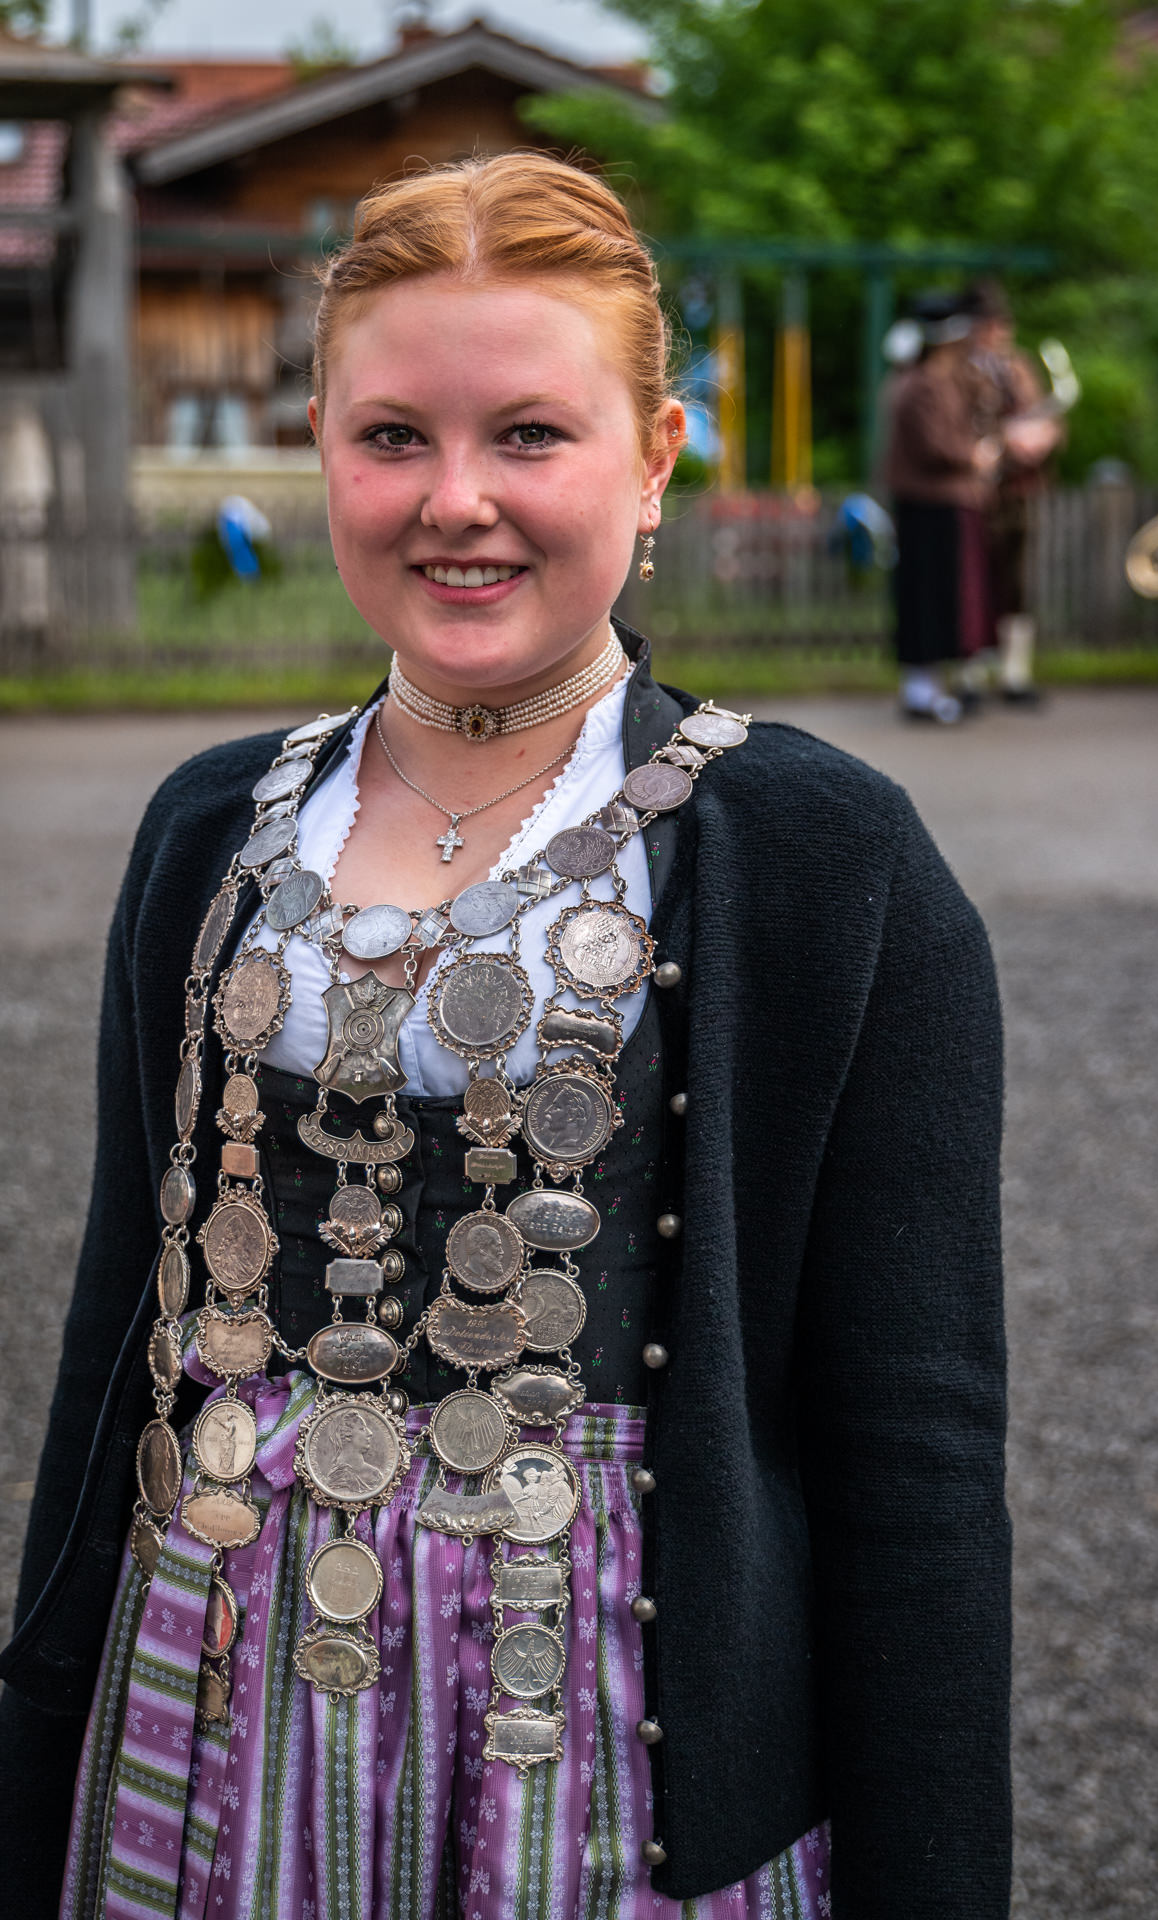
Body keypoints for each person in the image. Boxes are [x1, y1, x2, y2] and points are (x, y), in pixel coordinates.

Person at [0, 154, 1010, 1919]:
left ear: (658, 454)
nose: (454, 500)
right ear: (320, 444)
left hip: (602, 1725)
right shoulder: (210, 828)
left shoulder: (829, 859)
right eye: (392, 435)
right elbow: (117, 1346)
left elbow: (914, 1453)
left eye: (529, 434)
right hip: (217, 1683)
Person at [885, 291, 1002, 722]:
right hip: (929, 506)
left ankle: (930, 689)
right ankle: (922, 693)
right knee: (927, 599)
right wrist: (975, 457)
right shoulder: (923, 383)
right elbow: (935, 446)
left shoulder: (945, 379)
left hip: (942, 505)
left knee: (940, 599)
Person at [961, 281, 1063, 706]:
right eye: (989, 325)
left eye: (1002, 324)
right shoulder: (958, 369)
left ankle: (1015, 673)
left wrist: (1044, 437)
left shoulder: (1018, 366)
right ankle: (971, 673)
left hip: (1019, 489)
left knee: (1017, 582)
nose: (998, 333)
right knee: (973, 581)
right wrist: (1004, 439)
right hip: (974, 491)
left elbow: (1046, 417)